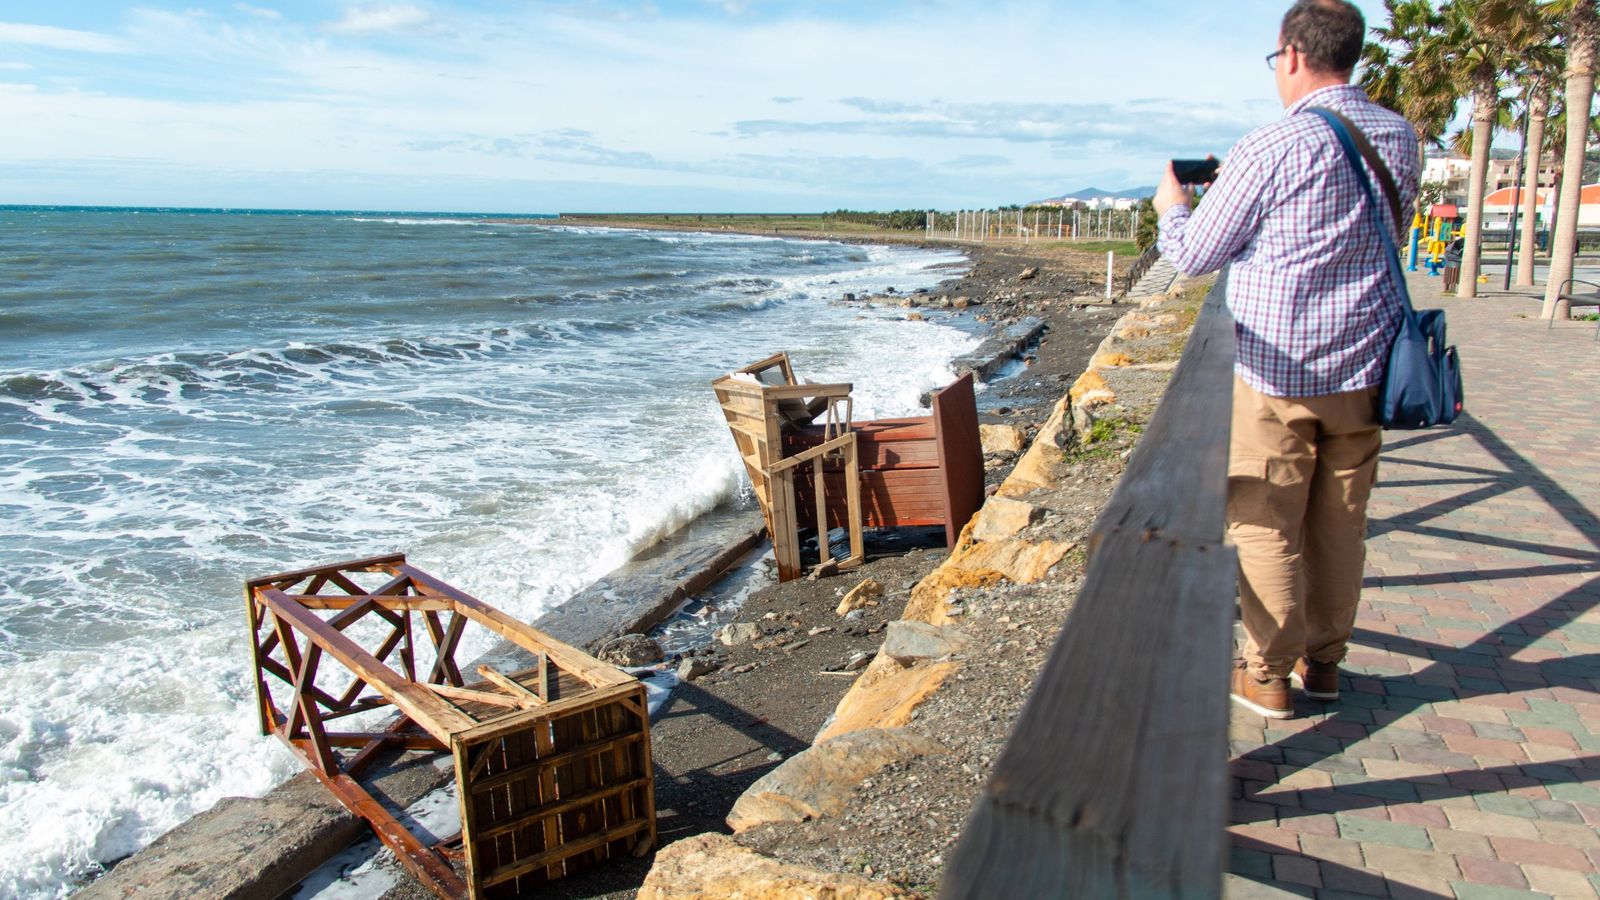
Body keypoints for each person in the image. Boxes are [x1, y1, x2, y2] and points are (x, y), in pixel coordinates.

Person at [1153, 0, 1421, 719]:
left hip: (1278, 370)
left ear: (1293, 55)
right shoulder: (1399, 137)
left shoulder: (1271, 145)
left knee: (1265, 520)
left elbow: (1193, 255)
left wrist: (1172, 205)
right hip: (1366, 368)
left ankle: (1267, 674)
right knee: (1341, 522)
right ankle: (1324, 664)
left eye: (1276, 59)